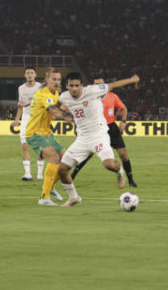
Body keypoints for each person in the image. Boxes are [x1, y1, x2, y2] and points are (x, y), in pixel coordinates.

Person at [56, 72, 140, 207]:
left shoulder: (92, 91)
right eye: (71, 86)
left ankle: (119, 172)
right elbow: (58, 104)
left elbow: (113, 85)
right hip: (82, 138)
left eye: (77, 85)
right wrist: (59, 111)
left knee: (108, 165)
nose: (74, 89)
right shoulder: (64, 96)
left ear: (82, 85)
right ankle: (74, 197)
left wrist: (132, 79)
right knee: (62, 170)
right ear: (67, 86)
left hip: (99, 135)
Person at [70, 78, 138, 187]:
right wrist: (77, 134)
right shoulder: (89, 98)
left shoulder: (112, 96)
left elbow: (123, 108)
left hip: (111, 128)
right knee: (87, 155)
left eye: (100, 84)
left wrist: (123, 121)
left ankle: (130, 180)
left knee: (123, 155)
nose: (98, 86)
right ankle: (72, 177)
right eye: (96, 84)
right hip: (95, 129)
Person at [25, 68, 72, 206]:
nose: (57, 82)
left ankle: (50, 187)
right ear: (47, 81)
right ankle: (44, 197)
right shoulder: (44, 94)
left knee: (66, 158)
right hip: (34, 133)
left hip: (46, 132)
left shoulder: (55, 93)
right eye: (54, 79)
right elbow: (55, 112)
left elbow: (60, 107)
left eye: (58, 79)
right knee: (54, 158)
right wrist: (71, 119)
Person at [11, 67, 44, 181]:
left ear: (35, 74)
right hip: (26, 118)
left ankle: (40, 174)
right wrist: (17, 120)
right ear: (25, 75)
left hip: (38, 118)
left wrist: (26, 104)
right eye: (28, 73)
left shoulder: (40, 87)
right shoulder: (21, 88)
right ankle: (27, 174)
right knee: (25, 146)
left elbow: (38, 100)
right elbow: (21, 105)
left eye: (32, 73)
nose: (30, 75)